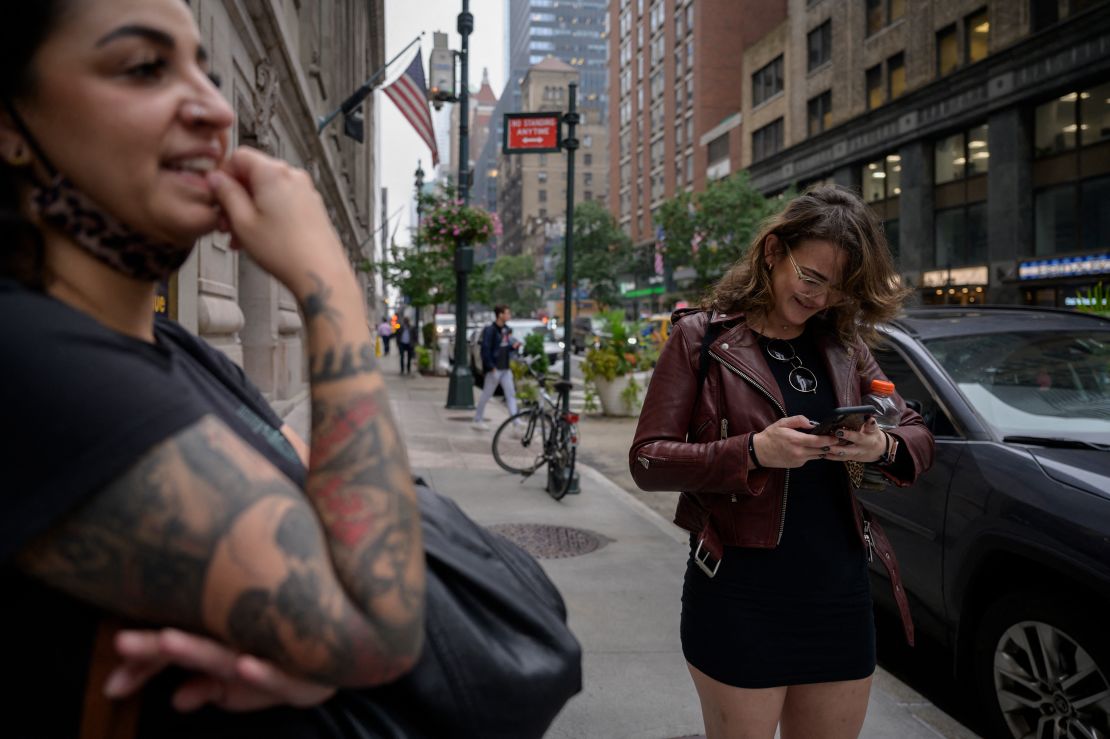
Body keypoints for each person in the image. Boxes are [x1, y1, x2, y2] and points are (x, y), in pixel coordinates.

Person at [0, 1, 425, 736]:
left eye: (209, 70)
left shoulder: (182, 349)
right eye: (143, 68)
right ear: (11, 126)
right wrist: (329, 284)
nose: (213, 108)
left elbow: (375, 569)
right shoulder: (28, 361)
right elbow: (382, 623)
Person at [629, 185, 935, 739]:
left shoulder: (845, 346)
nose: (821, 299)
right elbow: (648, 460)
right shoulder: (702, 339)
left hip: (839, 593)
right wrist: (751, 452)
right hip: (740, 594)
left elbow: (914, 432)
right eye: (812, 278)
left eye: (838, 290)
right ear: (773, 252)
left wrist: (880, 446)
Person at [472, 305, 522, 430]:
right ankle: (478, 419)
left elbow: (504, 347)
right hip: (495, 368)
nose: (509, 315)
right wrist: (490, 366)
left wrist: (513, 346)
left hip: (505, 367)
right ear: (500, 315)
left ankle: (516, 421)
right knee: (487, 395)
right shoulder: (490, 330)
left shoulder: (506, 330)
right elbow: (486, 349)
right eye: (507, 313)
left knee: (511, 394)